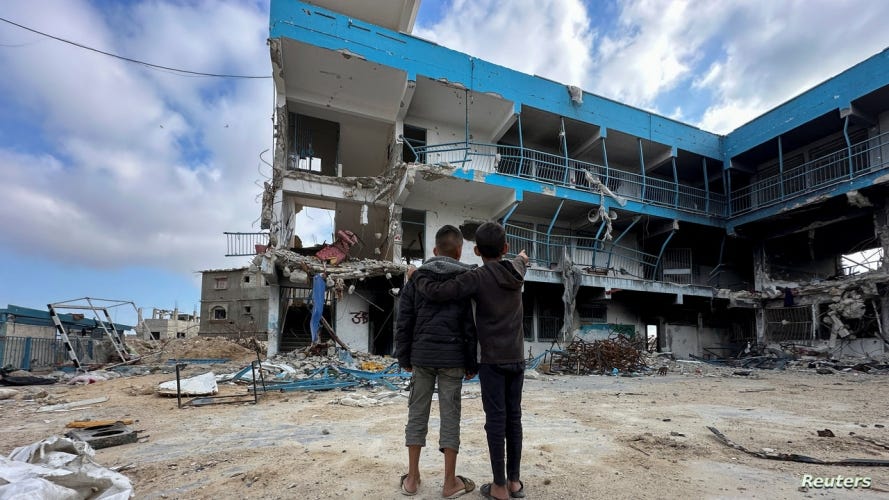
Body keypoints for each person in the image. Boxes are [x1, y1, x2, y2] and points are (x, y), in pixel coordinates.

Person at [412, 221, 529, 500]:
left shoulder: (477, 277)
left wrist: (416, 276)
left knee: (496, 421)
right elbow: (521, 261)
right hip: (516, 357)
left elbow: (439, 292)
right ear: (505, 247)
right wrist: (522, 257)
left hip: (491, 360)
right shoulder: (517, 270)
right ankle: (514, 482)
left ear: (476, 251)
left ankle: (498, 487)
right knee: (514, 418)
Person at [394, 224, 477, 498]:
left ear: (434, 250)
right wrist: (471, 363)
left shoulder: (417, 279)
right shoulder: (465, 280)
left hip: (421, 357)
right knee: (451, 416)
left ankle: (412, 479)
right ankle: (449, 482)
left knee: (417, 413)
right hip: (453, 359)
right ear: (459, 251)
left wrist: (404, 356)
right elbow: (470, 326)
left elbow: (404, 322)